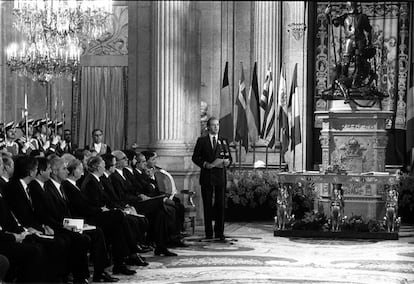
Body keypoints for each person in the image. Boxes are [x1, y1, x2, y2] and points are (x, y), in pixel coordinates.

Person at [192, 117, 232, 240]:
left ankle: (219, 232)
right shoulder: (202, 141)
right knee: (207, 205)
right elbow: (195, 157)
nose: (216, 127)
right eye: (214, 125)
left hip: (220, 176)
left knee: (220, 205)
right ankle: (208, 232)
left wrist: (227, 162)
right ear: (208, 127)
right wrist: (204, 164)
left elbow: (229, 157)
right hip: (207, 176)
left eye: (218, 125)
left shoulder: (223, 141)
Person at [325, 2, 374, 88]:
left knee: (359, 60)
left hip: (360, 40)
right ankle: (343, 79)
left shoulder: (362, 17)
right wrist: (327, 14)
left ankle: (357, 80)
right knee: (346, 61)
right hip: (349, 39)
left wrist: (369, 42)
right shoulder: (344, 17)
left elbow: (368, 30)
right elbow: (331, 22)